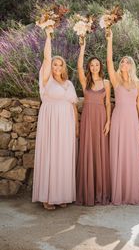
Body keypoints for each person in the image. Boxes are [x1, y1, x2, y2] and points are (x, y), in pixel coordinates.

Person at [32, 27, 79, 210]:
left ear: (64, 67)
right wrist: (48, 36)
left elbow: (74, 105)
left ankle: (62, 194)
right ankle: (48, 196)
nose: (57, 67)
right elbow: (46, 58)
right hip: (51, 121)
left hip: (66, 123)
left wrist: (76, 126)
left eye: (60, 65)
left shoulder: (68, 83)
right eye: (54, 64)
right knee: (51, 155)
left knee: (64, 157)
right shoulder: (46, 80)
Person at [106, 29, 139, 205]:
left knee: (131, 153)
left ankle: (132, 192)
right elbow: (108, 61)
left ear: (131, 66)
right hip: (118, 118)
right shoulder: (115, 79)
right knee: (118, 152)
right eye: (122, 61)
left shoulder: (138, 83)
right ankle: (118, 192)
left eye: (127, 62)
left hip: (132, 119)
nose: (124, 63)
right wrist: (110, 39)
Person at [76, 39, 111, 205]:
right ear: (89, 67)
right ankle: (87, 192)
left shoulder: (106, 83)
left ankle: (100, 192)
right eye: (92, 65)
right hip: (88, 119)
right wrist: (82, 47)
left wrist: (108, 122)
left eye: (97, 65)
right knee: (88, 151)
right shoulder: (86, 82)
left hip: (102, 119)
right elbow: (78, 67)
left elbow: (108, 103)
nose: (94, 67)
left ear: (100, 66)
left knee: (100, 152)